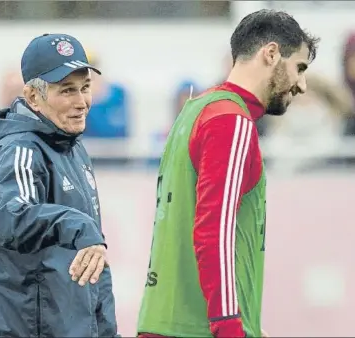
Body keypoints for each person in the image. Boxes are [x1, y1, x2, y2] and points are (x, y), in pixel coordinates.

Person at [137, 9, 319, 338]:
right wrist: (229, 324)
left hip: (166, 322)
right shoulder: (231, 120)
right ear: (272, 53)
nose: (302, 85)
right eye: (300, 68)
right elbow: (215, 230)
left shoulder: (194, 111)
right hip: (199, 329)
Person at [0, 33, 119, 337]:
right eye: (67, 91)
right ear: (33, 96)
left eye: (85, 88)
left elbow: (93, 262)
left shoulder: (74, 148)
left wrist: (106, 331)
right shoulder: (20, 150)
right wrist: (78, 226)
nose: (81, 102)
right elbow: (12, 217)